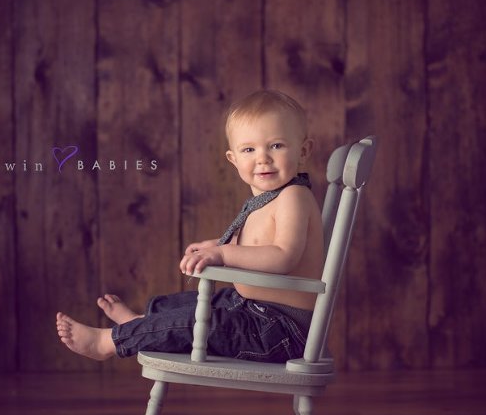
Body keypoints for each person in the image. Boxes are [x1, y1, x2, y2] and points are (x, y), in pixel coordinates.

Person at [56, 89, 323, 363]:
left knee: (200, 320)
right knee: (193, 303)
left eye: (276, 145)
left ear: (303, 151)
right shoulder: (270, 199)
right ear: (234, 160)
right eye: (249, 149)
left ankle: (109, 341)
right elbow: (257, 248)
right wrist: (219, 244)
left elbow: (283, 255)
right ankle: (141, 322)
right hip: (256, 311)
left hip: (280, 331)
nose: (263, 158)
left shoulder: (294, 196)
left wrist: (222, 255)